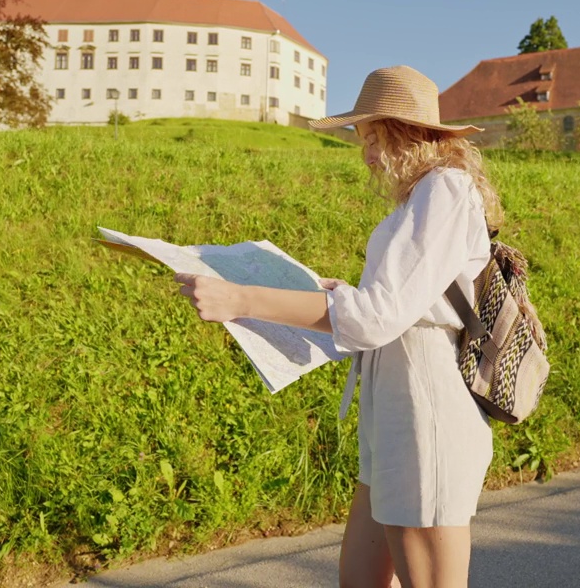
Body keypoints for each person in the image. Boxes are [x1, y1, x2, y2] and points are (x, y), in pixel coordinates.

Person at [173, 65, 505, 588]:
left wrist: (241, 299)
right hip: (395, 399)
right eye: (362, 139)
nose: (368, 154)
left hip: (427, 406)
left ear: (411, 133)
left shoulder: (445, 190)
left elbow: (379, 316)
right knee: (362, 579)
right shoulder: (420, 198)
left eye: (375, 137)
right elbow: (394, 301)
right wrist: (329, 295)